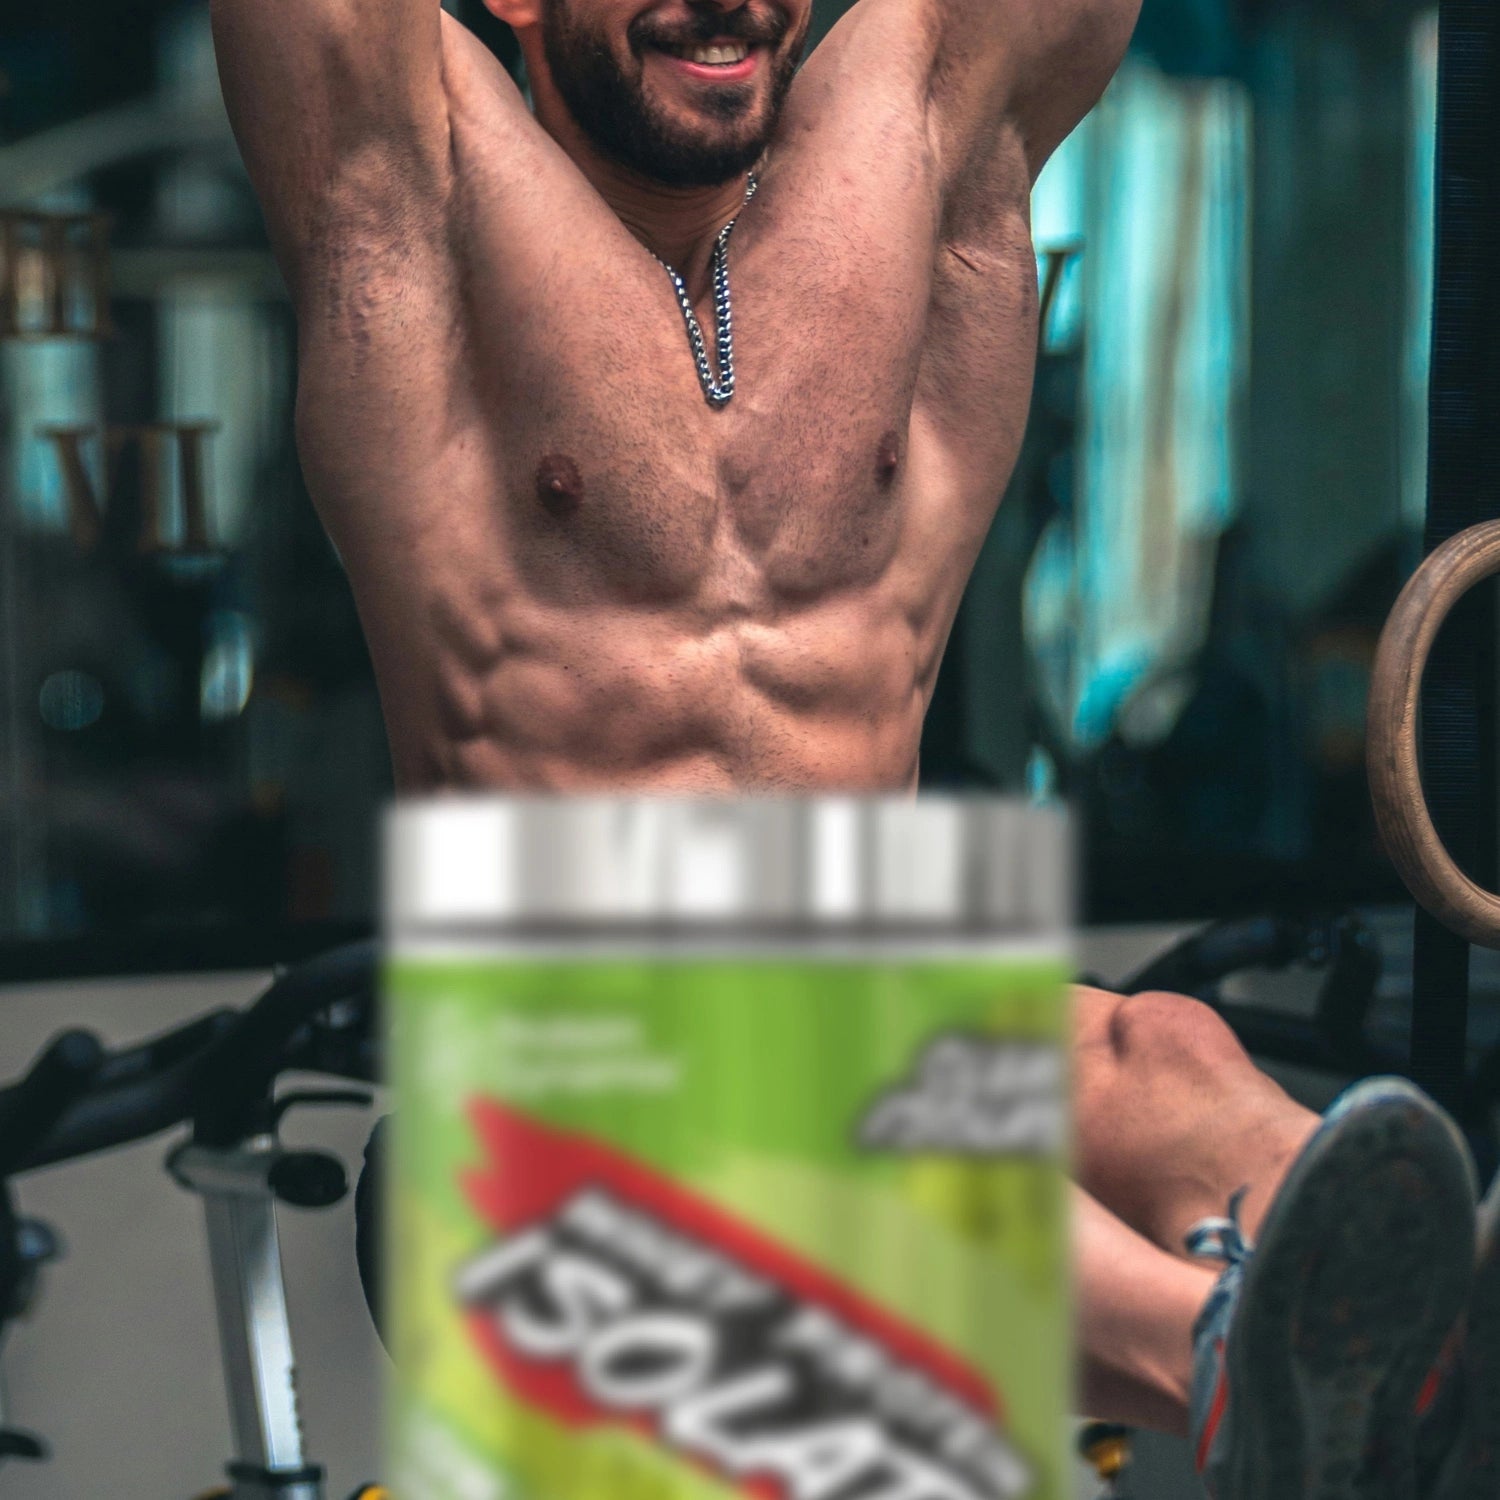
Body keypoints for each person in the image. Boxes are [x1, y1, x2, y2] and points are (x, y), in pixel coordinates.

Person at [208, 0, 1499, 1488]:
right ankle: (1237, 1360)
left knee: (1170, 1053)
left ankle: (1433, 1359)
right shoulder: (415, 193)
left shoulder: (917, 146)